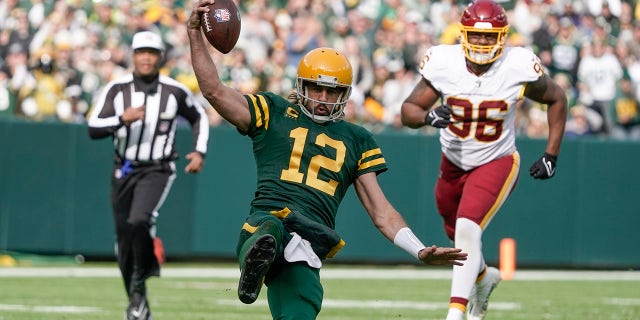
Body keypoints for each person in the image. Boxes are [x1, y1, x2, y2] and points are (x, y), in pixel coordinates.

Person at [186, 1, 467, 319]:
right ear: (301, 86)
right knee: (269, 232)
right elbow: (214, 91)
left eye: (332, 92)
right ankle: (258, 258)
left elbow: (381, 211)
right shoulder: (274, 111)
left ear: (345, 93)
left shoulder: (357, 138)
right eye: (317, 89)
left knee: (301, 311)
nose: (323, 98)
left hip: (308, 239)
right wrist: (195, 34)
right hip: (267, 222)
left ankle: (262, 261)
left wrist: (417, 248)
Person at [400, 1, 567, 320]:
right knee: (459, 236)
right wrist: (427, 115)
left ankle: (455, 313)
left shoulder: (516, 64)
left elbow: (557, 97)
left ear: (503, 38)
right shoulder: (444, 62)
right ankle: (483, 277)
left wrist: (551, 154)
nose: (481, 42)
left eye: (489, 37)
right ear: (463, 34)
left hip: (497, 160)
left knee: (466, 228)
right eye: (475, 35)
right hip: (452, 162)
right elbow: (408, 110)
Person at [87, 30, 210, 320]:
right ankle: (137, 300)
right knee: (123, 241)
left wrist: (199, 151)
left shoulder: (174, 90)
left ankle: (142, 279)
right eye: (141, 52)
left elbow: (199, 116)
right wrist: (122, 119)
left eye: (151, 53)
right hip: (124, 168)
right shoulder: (116, 89)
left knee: (139, 220)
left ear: (160, 58)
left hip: (158, 167)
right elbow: (93, 127)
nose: (146, 58)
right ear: (132, 55)